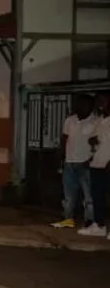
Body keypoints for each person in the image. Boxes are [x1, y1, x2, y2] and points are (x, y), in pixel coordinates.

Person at [52, 94, 97, 229]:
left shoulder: (95, 122)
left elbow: (99, 142)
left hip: (85, 163)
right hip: (69, 162)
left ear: (90, 106)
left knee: (89, 197)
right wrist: (60, 154)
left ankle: (89, 221)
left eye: (84, 104)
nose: (80, 107)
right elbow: (65, 138)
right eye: (79, 104)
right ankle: (68, 219)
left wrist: (93, 158)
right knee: (68, 196)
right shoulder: (70, 120)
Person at [80, 92, 110, 238]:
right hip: (96, 163)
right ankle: (99, 226)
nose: (100, 104)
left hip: (108, 164)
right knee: (97, 197)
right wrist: (92, 141)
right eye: (98, 101)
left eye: (103, 101)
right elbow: (90, 135)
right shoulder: (99, 120)